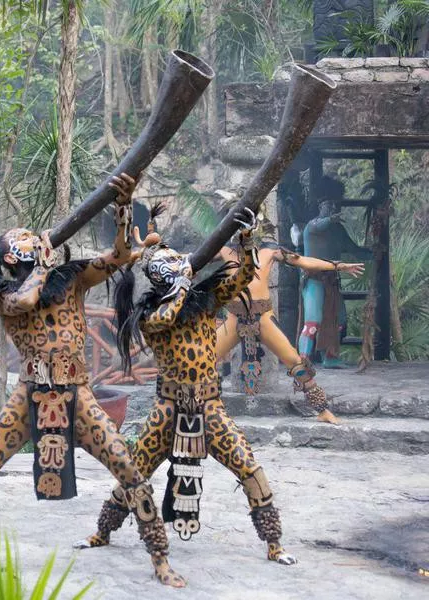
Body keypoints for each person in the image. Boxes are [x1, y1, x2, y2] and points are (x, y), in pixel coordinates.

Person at [0, 173, 180, 586]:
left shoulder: (71, 278)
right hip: (29, 395)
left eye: (29, 235)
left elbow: (122, 255)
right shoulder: (4, 296)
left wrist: (124, 209)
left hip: (78, 393)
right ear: (7, 260)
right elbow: (28, 299)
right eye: (18, 239)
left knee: (128, 469)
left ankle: (160, 558)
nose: (29, 238)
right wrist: (41, 262)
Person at [78, 205, 296, 587]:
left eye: (182, 263)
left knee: (248, 467)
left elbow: (243, 278)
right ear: (161, 280)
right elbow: (165, 318)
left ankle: (274, 543)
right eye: (173, 266)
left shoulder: (205, 300)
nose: (183, 267)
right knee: (135, 471)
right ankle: (103, 531)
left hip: (209, 406)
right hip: (167, 410)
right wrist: (180, 284)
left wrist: (245, 245)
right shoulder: (150, 316)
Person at [215, 213, 364, 424]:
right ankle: (188, 409)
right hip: (233, 319)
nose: (244, 232)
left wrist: (337, 266)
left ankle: (322, 410)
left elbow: (304, 261)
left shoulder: (268, 252)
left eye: (248, 227)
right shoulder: (224, 251)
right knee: (202, 361)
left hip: (263, 319)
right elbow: (192, 259)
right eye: (239, 227)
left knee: (295, 362)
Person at [298, 178, 372, 367]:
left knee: (339, 321)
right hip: (314, 280)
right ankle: (302, 362)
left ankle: (330, 357)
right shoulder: (312, 227)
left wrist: (376, 251)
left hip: (331, 282)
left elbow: (355, 250)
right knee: (312, 322)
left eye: (334, 204)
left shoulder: (337, 230)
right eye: (328, 204)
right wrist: (330, 219)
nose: (332, 207)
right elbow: (321, 225)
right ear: (320, 205)